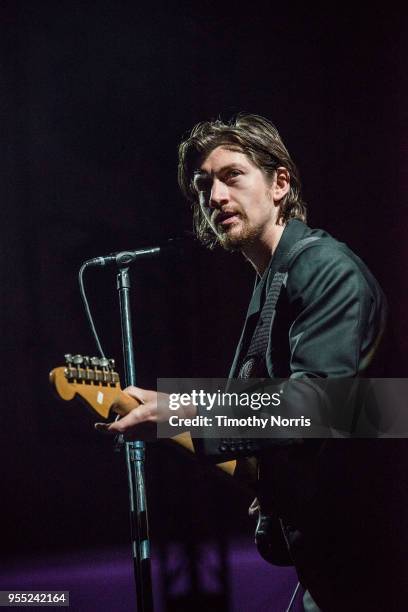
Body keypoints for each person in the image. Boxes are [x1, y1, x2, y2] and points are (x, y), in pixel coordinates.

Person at [96, 115, 405, 611]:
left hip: (374, 560)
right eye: (203, 185)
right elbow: (282, 432)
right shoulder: (272, 285)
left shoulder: (322, 267)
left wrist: (184, 409)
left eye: (231, 175)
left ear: (280, 183)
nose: (214, 196)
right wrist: (165, 410)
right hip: (333, 562)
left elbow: (325, 406)